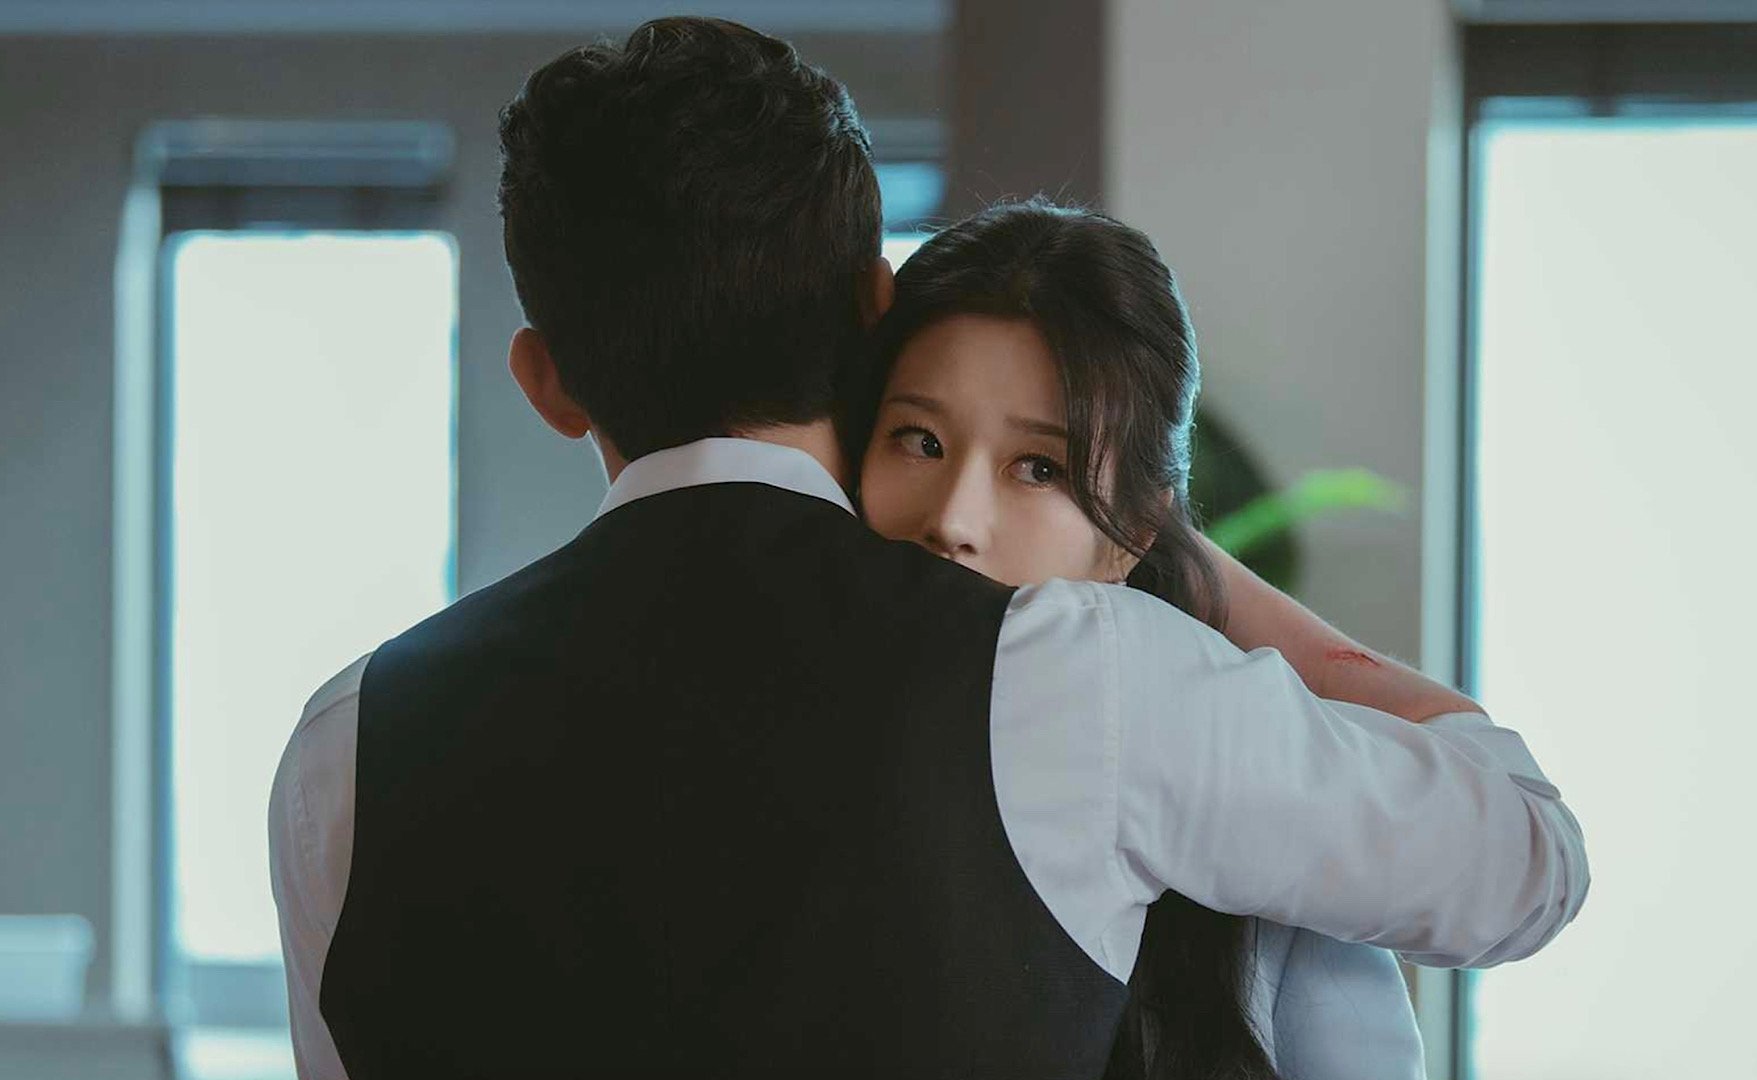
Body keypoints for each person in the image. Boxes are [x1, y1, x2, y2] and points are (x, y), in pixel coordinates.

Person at [268, 18, 1586, 1080]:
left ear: (546, 381)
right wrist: (1166, 541)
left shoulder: (347, 746)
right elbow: (1524, 860)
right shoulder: (1068, 674)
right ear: (870, 308)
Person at [847, 199, 1449, 1079]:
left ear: (1132, 533)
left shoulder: (1261, 839)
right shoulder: (767, 741)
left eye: (1039, 468)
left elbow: (1521, 849)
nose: (954, 521)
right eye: (919, 440)